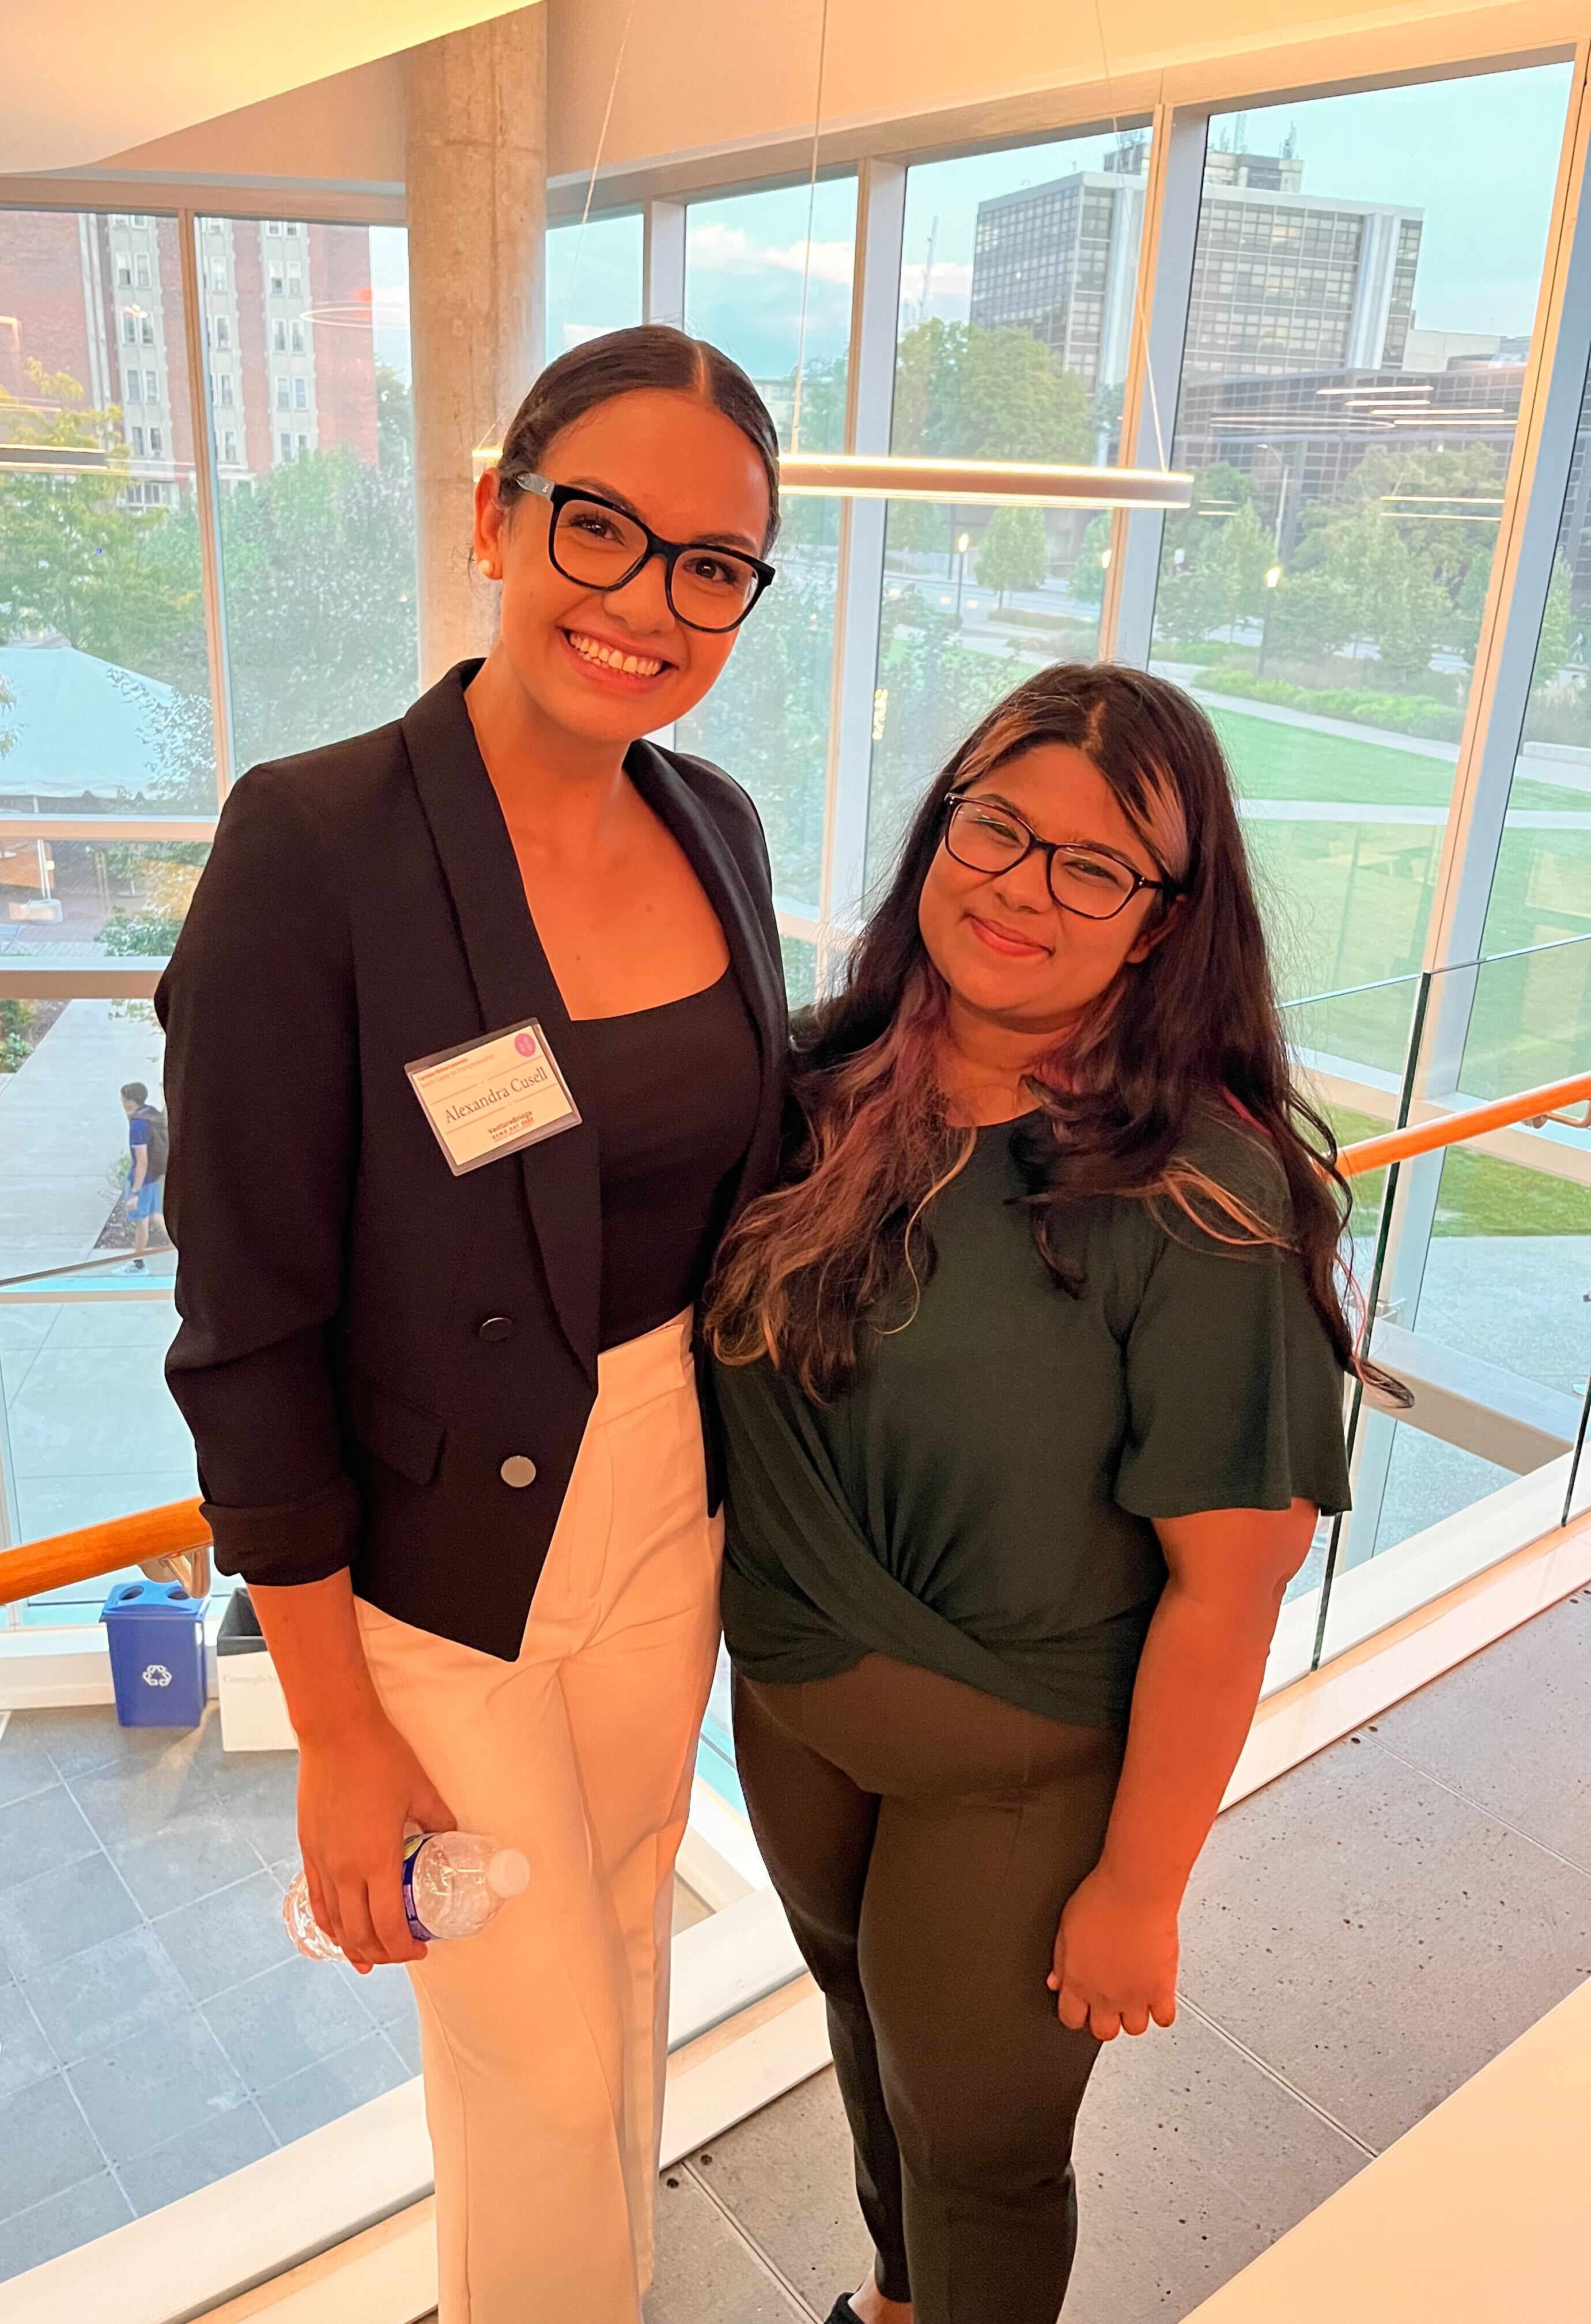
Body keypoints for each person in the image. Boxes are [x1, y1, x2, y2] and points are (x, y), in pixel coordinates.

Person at [156, 325, 789, 2322]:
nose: (646, 603)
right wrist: (329, 1727)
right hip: (437, 1559)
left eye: (712, 565)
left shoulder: (720, 827)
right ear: (495, 518)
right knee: (525, 2041)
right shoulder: (316, 844)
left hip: (670, 1492)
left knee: (621, 1958)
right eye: (600, 527)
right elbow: (245, 1323)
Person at [704, 663, 1371, 2324]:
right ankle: (894, 2302)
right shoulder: (809, 1091)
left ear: (1160, 921)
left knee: (985, 2150)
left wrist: (1141, 1890)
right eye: (996, 827)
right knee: (870, 2053)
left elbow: (1231, 1589)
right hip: (792, 1718)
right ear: (941, 827)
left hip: (1018, 1784)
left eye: (1095, 865)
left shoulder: (1203, 1203)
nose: (1022, 886)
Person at [119, 1081, 168, 1271]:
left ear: (130, 1102)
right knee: (156, 1215)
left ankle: (138, 1265)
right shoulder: (150, 1113)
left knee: (142, 1221)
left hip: (143, 1181)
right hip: (153, 1178)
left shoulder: (139, 1126)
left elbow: (142, 1162)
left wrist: (135, 1193)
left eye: (123, 1100)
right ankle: (184, 1252)